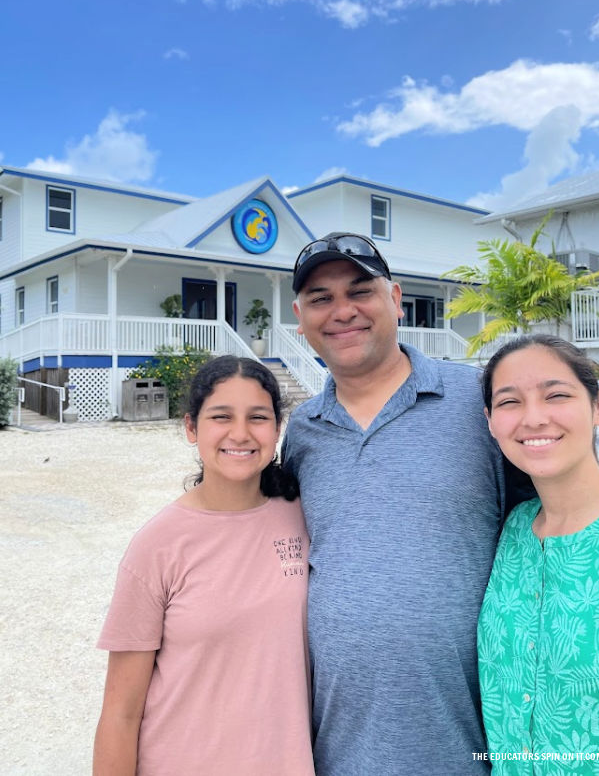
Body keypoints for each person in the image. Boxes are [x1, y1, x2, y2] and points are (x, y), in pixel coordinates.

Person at [283, 232, 533, 776]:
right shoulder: (301, 432)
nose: (342, 311)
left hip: (473, 744)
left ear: (395, 298)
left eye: (360, 291)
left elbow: (554, 522)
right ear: (300, 317)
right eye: (321, 299)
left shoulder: (480, 402)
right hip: (338, 750)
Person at [93, 356, 314, 776]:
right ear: (191, 428)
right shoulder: (157, 546)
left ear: (277, 429)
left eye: (258, 418)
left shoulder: (302, 517)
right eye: (221, 417)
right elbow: (120, 714)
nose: (240, 434)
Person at [478, 335, 599, 774]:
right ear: (490, 420)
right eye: (509, 402)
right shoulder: (514, 530)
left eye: (556, 395)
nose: (534, 418)